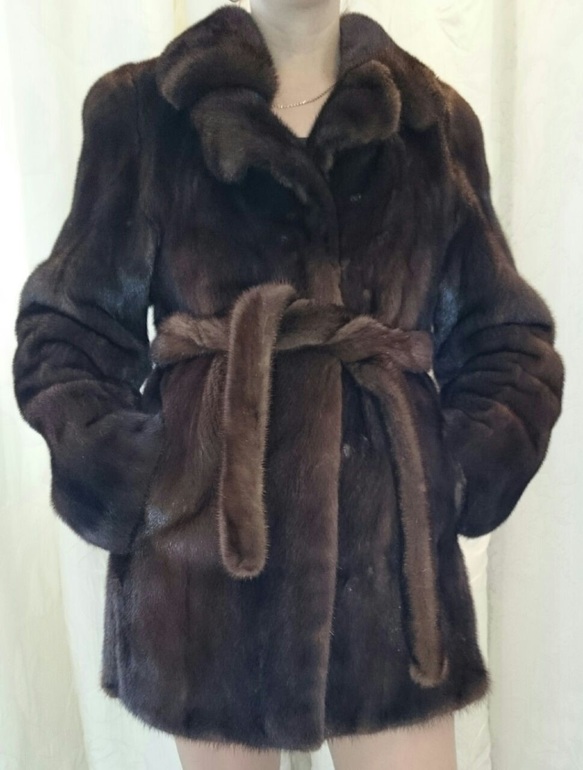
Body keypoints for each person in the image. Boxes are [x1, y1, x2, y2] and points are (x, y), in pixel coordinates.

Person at [12, 0, 565, 769]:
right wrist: (146, 483)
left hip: (387, 578)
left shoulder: (429, 123)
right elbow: (68, 332)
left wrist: (453, 475)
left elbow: (504, 336)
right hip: (205, 574)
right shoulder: (146, 111)